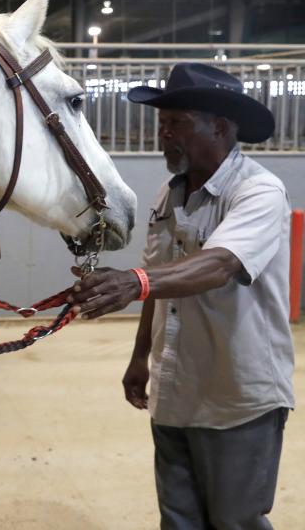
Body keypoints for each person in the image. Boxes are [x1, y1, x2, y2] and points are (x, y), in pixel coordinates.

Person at [67, 63, 295, 530]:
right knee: (179, 520)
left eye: (178, 124)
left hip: (236, 396)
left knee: (235, 522)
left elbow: (220, 264)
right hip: (174, 390)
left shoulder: (258, 191)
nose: (164, 136)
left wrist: (134, 281)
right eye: (161, 125)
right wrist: (139, 358)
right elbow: (159, 279)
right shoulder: (168, 197)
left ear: (220, 126)